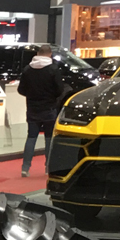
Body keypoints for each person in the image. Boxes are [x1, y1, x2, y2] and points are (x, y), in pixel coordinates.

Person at [17, 45, 68, 177]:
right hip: (49, 108)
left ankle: (25, 167)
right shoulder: (53, 69)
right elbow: (60, 90)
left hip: (32, 108)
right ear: (49, 54)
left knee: (31, 137)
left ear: (38, 53)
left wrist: (32, 95)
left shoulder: (28, 69)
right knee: (49, 139)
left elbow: (21, 89)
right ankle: (48, 167)